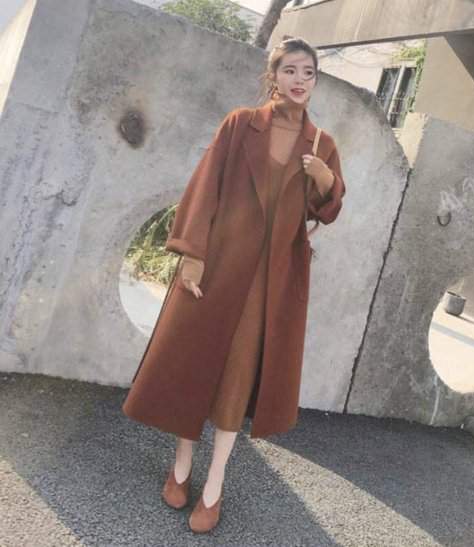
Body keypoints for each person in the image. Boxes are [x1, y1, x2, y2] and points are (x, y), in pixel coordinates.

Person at [122, 36, 346, 534]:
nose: (300, 80)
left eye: (308, 73)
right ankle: (181, 466)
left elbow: (327, 210)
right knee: (195, 363)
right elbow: (206, 186)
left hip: (271, 282)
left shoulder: (322, 144)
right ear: (273, 75)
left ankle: (215, 483)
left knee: (238, 378)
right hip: (219, 264)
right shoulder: (241, 123)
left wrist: (325, 178)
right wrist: (192, 255)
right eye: (290, 70)